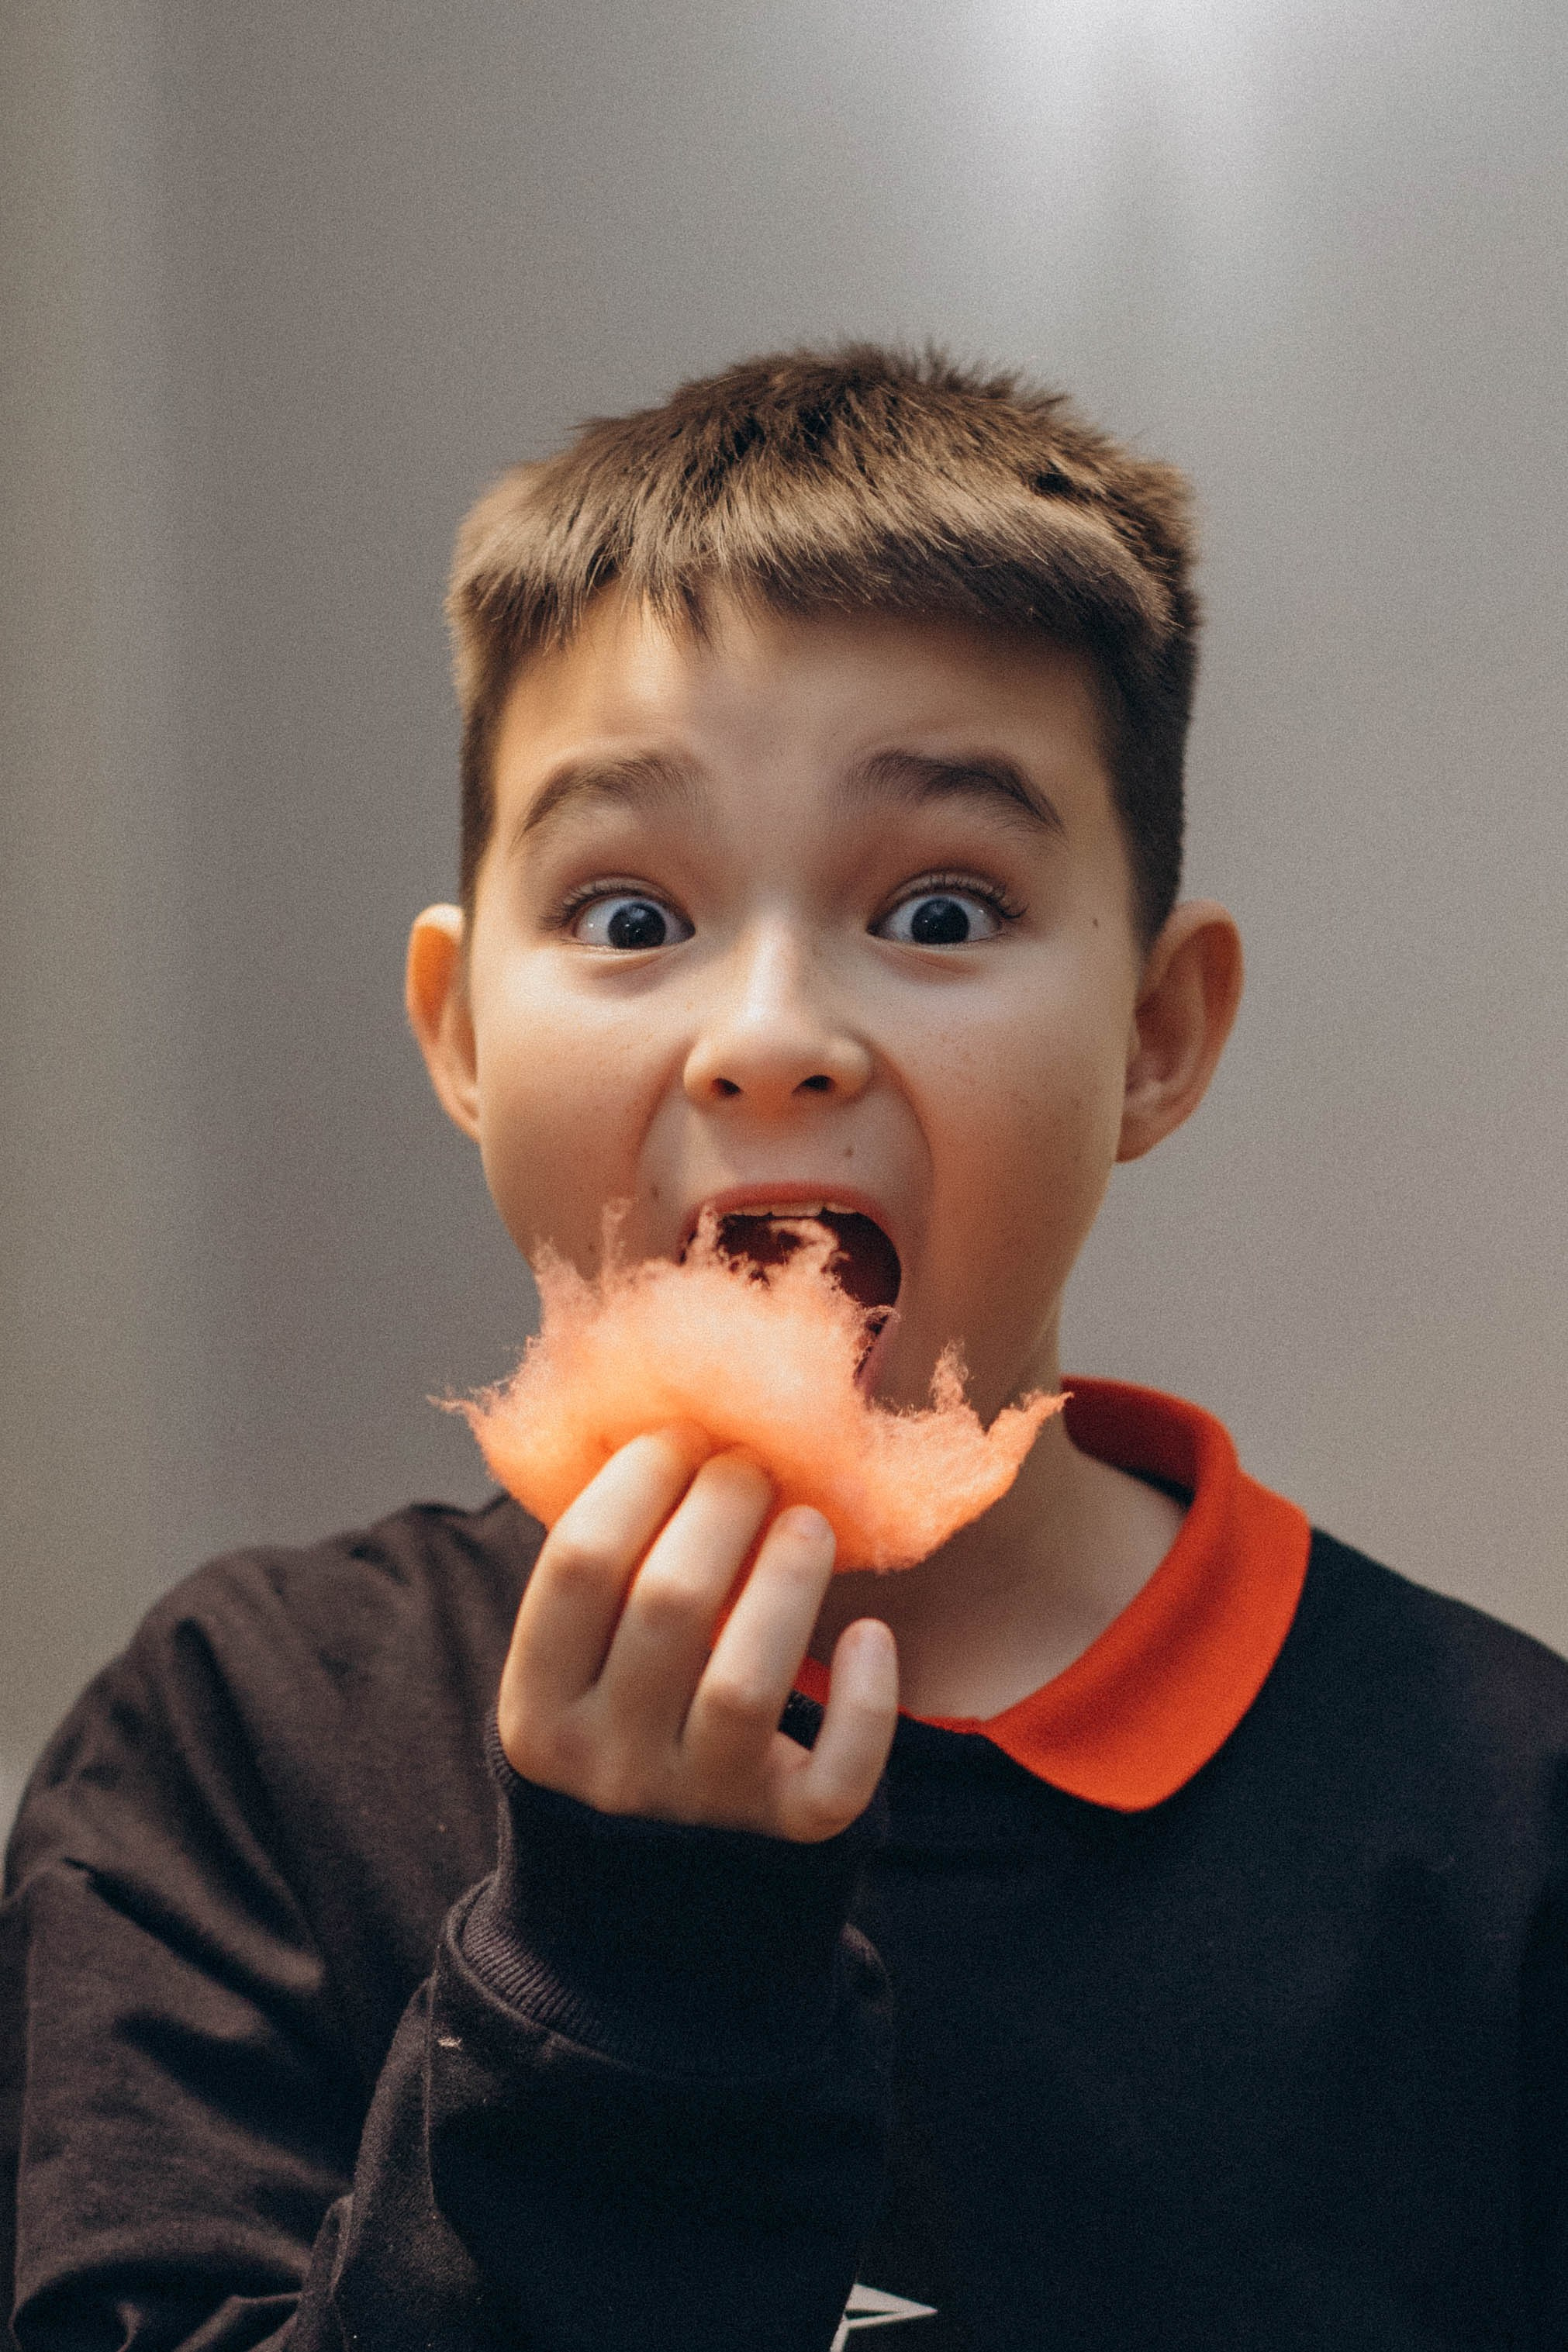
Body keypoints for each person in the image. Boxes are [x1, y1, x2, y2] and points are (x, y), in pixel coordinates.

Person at [5, 346, 1566, 2352]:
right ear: (464, 1028)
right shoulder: (240, 1749)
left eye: (936, 905)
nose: (769, 1030)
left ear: (1156, 1039)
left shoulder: (1500, 1819)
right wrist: (617, 1989)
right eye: (633, 913)